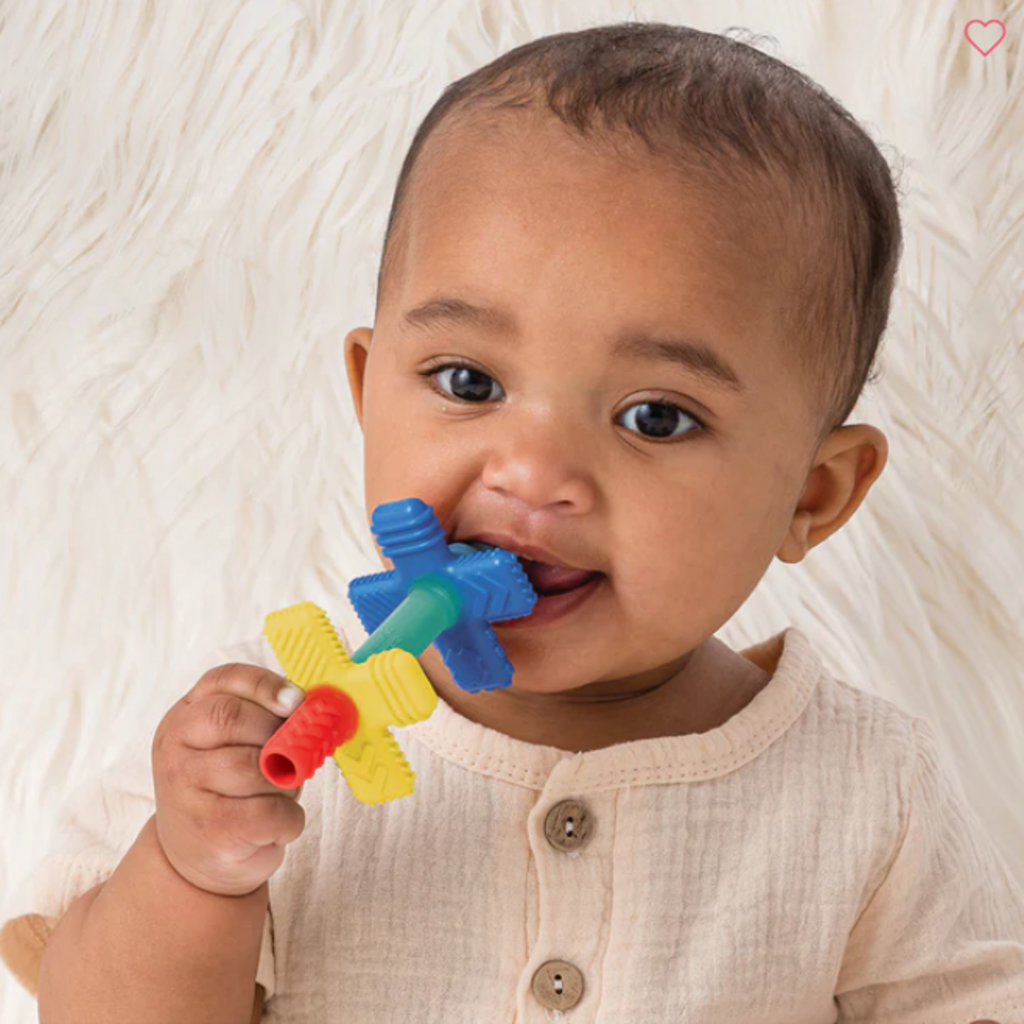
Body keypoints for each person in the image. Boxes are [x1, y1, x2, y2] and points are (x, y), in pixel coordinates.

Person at [4, 21, 1023, 1024]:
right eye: (467, 380)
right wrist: (195, 877)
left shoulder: (870, 787)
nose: (533, 473)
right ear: (368, 393)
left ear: (812, 493)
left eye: (654, 416)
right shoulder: (266, 737)